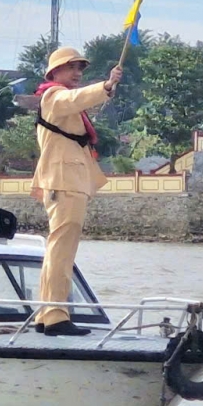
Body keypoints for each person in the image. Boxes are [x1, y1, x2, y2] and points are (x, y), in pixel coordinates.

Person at [30, 47, 123, 337]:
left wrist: (107, 90)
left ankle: (48, 313)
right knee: (61, 249)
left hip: (68, 180)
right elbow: (74, 99)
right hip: (64, 181)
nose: (77, 73)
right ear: (54, 72)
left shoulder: (62, 102)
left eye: (80, 67)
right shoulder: (52, 96)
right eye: (71, 67)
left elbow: (81, 102)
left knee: (59, 249)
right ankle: (56, 315)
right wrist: (105, 86)